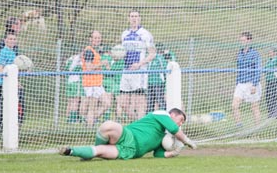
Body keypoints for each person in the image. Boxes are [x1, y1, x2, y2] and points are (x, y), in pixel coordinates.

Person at [59, 108, 197, 160]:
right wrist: (187, 140)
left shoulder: (165, 136)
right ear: (172, 114)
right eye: (181, 120)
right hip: (128, 134)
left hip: (131, 152)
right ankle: (87, 153)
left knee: (99, 151)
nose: (181, 124)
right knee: (108, 126)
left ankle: (70, 151)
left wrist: (174, 152)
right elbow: (175, 129)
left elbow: (158, 154)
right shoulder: (161, 114)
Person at [119, 9, 156, 121]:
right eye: (131, 16)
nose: (134, 18)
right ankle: (136, 123)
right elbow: (122, 52)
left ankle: (140, 125)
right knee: (123, 103)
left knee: (139, 103)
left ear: (139, 18)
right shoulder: (124, 34)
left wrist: (139, 64)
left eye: (136, 16)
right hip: (126, 71)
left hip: (139, 72)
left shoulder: (145, 34)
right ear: (128, 18)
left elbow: (152, 53)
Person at [0, 16, 26, 125]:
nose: (20, 27)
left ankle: (17, 122)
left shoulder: (14, 46)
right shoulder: (4, 45)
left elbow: (15, 63)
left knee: (18, 100)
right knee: (5, 102)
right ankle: (3, 125)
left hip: (13, 79)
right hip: (5, 80)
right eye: (18, 24)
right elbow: (1, 65)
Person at [80, 31, 110, 127]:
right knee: (92, 107)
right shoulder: (89, 51)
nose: (97, 40)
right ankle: (89, 127)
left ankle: (90, 120)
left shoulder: (95, 51)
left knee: (107, 104)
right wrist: (102, 63)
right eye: (95, 38)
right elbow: (89, 68)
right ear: (91, 39)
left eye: (99, 38)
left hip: (97, 83)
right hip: (91, 83)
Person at [232, 32, 262, 126]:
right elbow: (239, 69)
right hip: (241, 83)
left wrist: (254, 84)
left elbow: (257, 69)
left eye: (244, 40)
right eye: (241, 40)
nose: (242, 42)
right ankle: (239, 126)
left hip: (251, 83)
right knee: (234, 105)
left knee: (254, 107)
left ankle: (257, 127)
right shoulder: (239, 53)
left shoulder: (255, 54)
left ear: (249, 41)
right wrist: (237, 82)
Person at [0, 33, 18, 131]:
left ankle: (10, 125)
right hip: (2, 84)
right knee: (2, 105)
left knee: (12, 104)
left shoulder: (13, 52)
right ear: (6, 41)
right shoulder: (4, 51)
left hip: (11, 83)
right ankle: (0, 126)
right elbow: (0, 68)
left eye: (14, 39)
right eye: (10, 39)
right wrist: (4, 80)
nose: (12, 41)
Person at [146, 43, 174, 113]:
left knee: (160, 100)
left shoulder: (160, 58)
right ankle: (150, 117)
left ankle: (165, 114)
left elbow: (169, 64)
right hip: (150, 83)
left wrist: (167, 53)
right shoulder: (149, 58)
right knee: (150, 102)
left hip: (158, 83)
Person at [102, 45, 125, 121]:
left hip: (118, 84)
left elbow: (111, 73)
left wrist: (108, 66)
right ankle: (107, 118)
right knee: (110, 101)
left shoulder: (120, 62)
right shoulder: (112, 61)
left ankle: (118, 118)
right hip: (112, 84)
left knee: (118, 103)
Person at [65, 50, 83, 123]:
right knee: (75, 101)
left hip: (69, 81)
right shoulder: (78, 59)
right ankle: (73, 119)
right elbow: (71, 69)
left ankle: (68, 119)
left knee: (70, 101)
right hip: (76, 82)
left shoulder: (70, 58)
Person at [264, 47, 277, 118]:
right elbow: (265, 69)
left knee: (274, 96)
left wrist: (271, 69)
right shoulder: (268, 61)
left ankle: (276, 112)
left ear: (275, 53)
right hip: (268, 80)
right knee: (268, 97)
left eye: (271, 52)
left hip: (275, 80)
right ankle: (270, 112)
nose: (270, 53)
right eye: (269, 52)